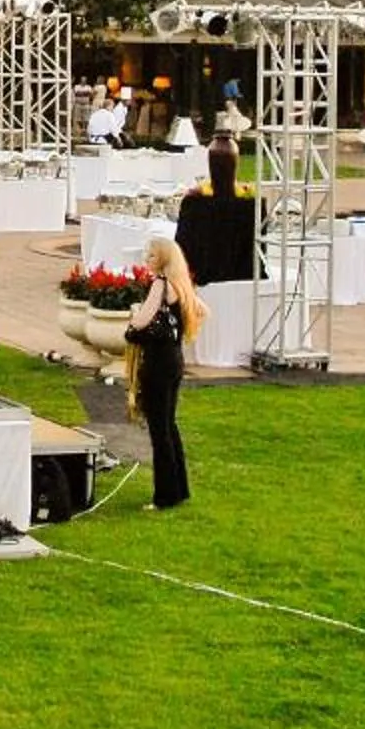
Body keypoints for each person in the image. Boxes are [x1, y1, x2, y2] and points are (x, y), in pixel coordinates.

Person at [120, 235, 205, 511]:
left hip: (157, 362)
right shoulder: (182, 286)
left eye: (152, 256)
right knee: (169, 424)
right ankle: (178, 488)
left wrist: (134, 320)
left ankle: (165, 495)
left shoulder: (160, 284)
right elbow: (200, 311)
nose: (147, 261)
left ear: (164, 260)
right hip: (174, 359)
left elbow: (142, 319)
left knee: (160, 429)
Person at [173, 134, 256, 289]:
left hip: (201, 281)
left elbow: (181, 247)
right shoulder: (251, 207)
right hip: (243, 283)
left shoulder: (193, 205)